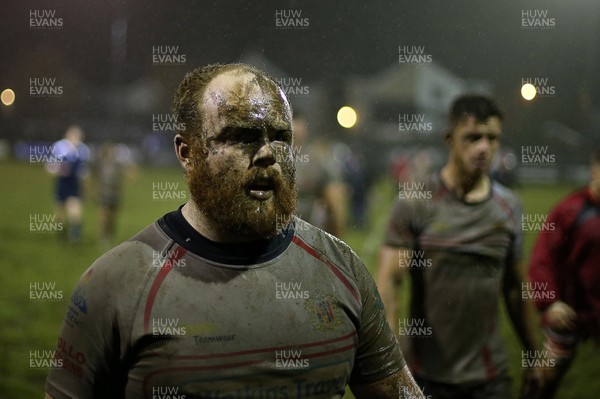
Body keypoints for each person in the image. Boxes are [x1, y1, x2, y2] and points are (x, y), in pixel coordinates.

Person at [45, 63, 423, 398]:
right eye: (241, 136)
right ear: (187, 152)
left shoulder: (344, 270)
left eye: (280, 137)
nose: (266, 153)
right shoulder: (115, 284)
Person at [376, 95, 541, 398]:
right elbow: (389, 284)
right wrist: (391, 362)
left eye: (492, 138)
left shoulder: (509, 207)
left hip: (491, 379)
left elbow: (517, 288)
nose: (484, 148)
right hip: (425, 377)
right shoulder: (416, 201)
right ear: (449, 139)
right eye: (473, 137)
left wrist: (533, 355)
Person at [527, 148, 600, 398]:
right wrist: (550, 304)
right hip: (569, 311)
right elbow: (542, 258)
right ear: (594, 169)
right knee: (546, 380)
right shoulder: (571, 210)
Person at [46, 125, 90, 242]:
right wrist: (60, 170)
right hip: (61, 183)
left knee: (75, 209)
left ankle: (75, 237)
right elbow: (50, 167)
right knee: (59, 211)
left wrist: (84, 184)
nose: (75, 138)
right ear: (67, 135)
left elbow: (84, 171)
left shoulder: (84, 150)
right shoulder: (59, 146)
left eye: (78, 135)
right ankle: (61, 234)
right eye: (73, 135)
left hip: (75, 185)